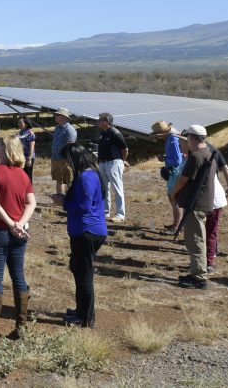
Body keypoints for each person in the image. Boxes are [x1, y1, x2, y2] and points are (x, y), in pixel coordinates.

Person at [0, 135, 35, 342]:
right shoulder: (23, 175)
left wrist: (12, 225)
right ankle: (22, 326)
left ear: (6, 150)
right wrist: (20, 224)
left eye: (0, 145)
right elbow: (31, 203)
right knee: (18, 276)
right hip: (20, 234)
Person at [53, 144, 107, 328]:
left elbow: (83, 207)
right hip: (90, 229)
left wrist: (63, 202)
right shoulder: (92, 174)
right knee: (78, 269)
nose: (67, 164)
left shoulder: (85, 178)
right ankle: (81, 311)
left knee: (84, 275)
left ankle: (85, 318)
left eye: (68, 160)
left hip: (86, 231)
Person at [171, 125, 217, 289]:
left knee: (195, 241)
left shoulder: (196, 156)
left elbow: (183, 180)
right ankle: (196, 272)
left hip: (194, 204)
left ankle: (199, 277)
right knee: (197, 239)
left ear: (192, 138)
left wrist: (174, 192)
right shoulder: (208, 153)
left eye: (187, 137)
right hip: (200, 203)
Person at [205, 141, 228, 274]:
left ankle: (208, 261)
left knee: (208, 231)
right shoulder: (214, 151)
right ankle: (211, 253)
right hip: (213, 197)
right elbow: (226, 168)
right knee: (210, 230)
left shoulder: (197, 155)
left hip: (211, 197)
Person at [152, 120, 185, 231]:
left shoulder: (172, 139)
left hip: (174, 171)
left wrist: (165, 158)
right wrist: (166, 156)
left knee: (174, 197)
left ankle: (177, 225)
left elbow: (177, 159)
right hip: (174, 171)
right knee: (173, 197)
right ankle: (177, 223)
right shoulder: (172, 138)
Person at [96, 113, 129, 222]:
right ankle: (105, 212)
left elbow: (124, 149)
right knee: (104, 188)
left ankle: (120, 214)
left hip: (113, 163)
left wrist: (121, 161)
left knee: (117, 188)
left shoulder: (115, 133)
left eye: (100, 120)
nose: (98, 121)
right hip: (103, 163)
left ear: (106, 121)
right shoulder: (102, 133)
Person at [50, 109, 77, 199]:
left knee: (68, 180)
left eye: (57, 115)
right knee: (59, 180)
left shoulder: (70, 130)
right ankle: (59, 199)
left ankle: (70, 200)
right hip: (56, 158)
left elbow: (71, 146)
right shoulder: (57, 128)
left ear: (63, 117)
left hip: (66, 160)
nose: (55, 116)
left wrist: (68, 160)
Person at [17, 116, 37, 183]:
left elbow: (32, 147)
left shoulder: (30, 133)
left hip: (28, 157)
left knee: (28, 175)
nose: (19, 124)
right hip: (21, 157)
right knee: (21, 174)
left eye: (21, 122)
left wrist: (29, 158)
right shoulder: (20, 132)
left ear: (26, 123)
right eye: (18, 122)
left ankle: (29, 191)